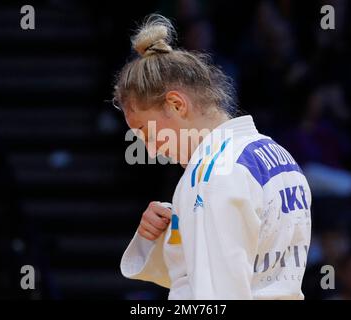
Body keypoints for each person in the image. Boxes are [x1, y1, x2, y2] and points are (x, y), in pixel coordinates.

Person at [115, 14, 312, 299]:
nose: (151, 148)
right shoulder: (274, 153)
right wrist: (175, 227)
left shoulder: (212, 174)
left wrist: (196, 209)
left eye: (145, 131)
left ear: (176, 104)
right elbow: (255, 268)